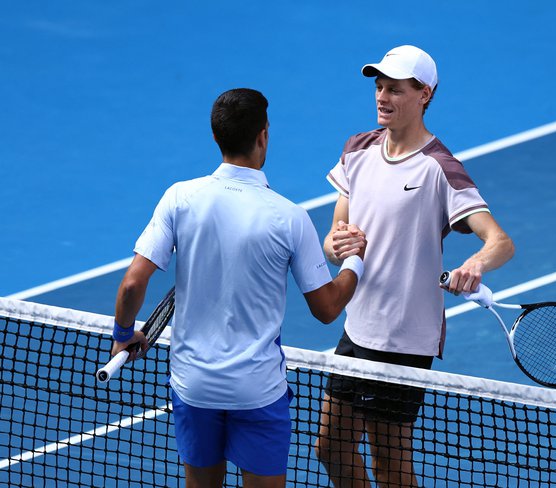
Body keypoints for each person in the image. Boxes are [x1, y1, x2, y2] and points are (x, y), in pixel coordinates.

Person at [110, 88, 367, 488]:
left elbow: (132, 284)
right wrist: (356, 260)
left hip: (194, 386)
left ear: (216, 137)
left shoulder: (179, 198)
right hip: (257, 392)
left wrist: (124, 334)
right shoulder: (290, 218)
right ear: (264, 135)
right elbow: (328, 308)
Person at [315, 45, 515, 486]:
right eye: (379, 87)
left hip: (404, 339)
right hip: (357, 325)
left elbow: (500, 241)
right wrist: (339, 243)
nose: (383, 97)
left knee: (390, 463)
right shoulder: (357, 150)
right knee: (329, 446)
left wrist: (476, 265)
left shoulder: (440, 169)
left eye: (396, 89)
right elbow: (334, 240)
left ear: (424, 94)